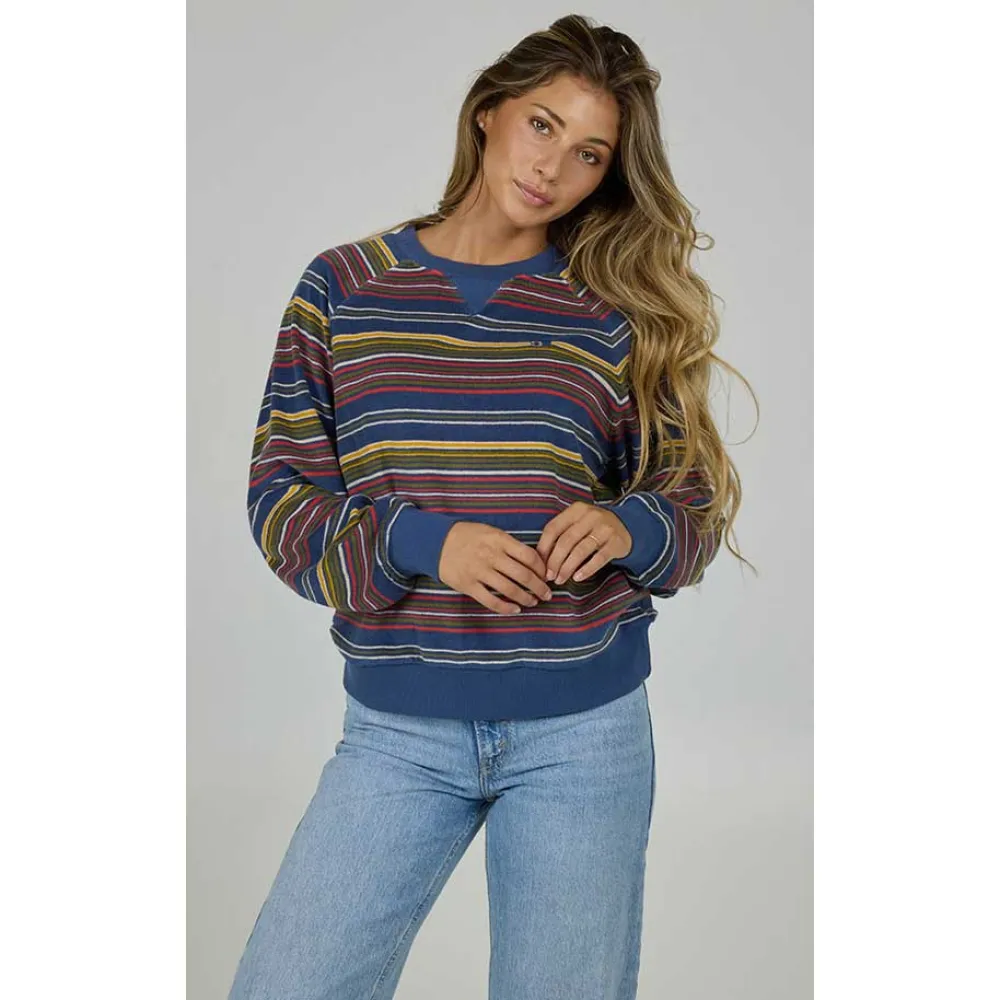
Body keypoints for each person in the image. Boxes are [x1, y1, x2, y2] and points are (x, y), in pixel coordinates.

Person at [228, 13, 755, 1000]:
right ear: (489, 112)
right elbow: (281, 505)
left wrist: (630, 524)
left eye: (589, 152)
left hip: (582, 732)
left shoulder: (614, 309)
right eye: (542, 125)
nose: (553, 166)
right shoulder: (344, 287)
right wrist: (424, 541)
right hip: (398, 729)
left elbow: (690, 504)